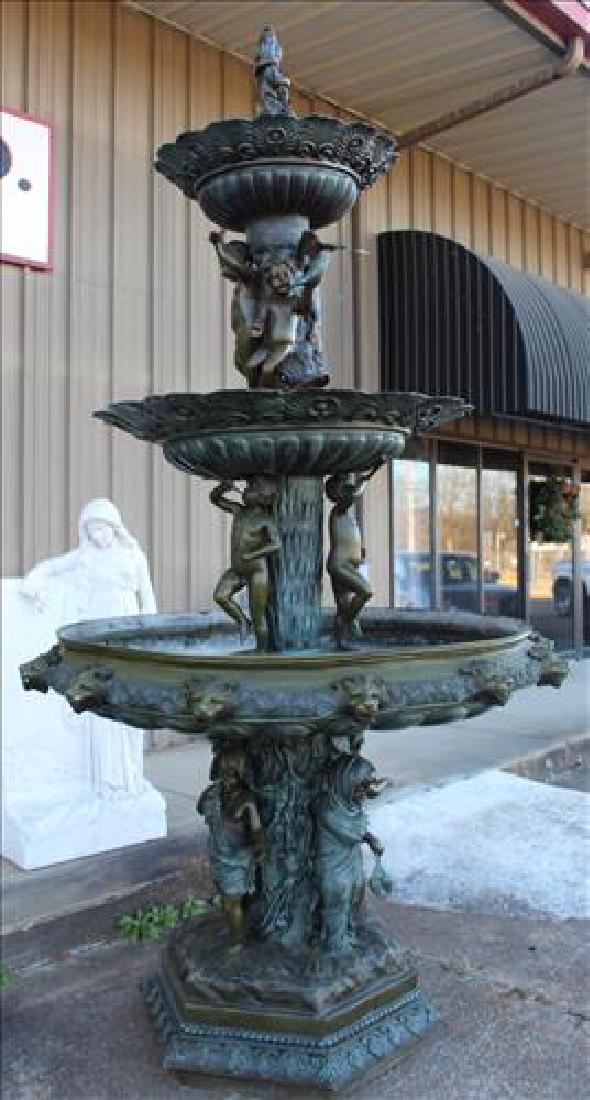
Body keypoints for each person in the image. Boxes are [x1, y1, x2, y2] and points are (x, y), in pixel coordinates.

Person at [20, 498, 156, 794]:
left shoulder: (133, 556)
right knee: (100, 700)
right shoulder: (84, 558)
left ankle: (128, 774)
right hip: (95, 634)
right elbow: (50, 567)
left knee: (127, 699)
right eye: (92, 530)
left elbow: (148, 599)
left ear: (115, 527)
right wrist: (32, 582)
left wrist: (149, 635)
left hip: (126, 634)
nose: (99, 535)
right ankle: (105, 778)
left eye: (104, 528)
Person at [210, 479, 281, 651]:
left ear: (264, 498)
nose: (247, 491)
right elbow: (215, 500)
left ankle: (261, 651)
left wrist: (253, 553)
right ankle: (242, 620)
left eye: (253, 489)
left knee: (259, 616)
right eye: (249, 488)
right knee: (221, 596)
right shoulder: (238, 511)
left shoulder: (266, 520)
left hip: (257, 570)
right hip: (237, 568)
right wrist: (221, 488)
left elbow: (276, 544)